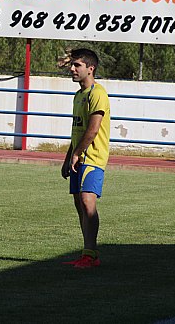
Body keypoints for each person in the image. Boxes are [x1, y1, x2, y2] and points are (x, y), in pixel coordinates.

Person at [61, 48, 110, 268]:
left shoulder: (97, 93)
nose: (72, 69)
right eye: (72, 64)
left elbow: (92, 129)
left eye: (77, 65)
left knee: (87, 201)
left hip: (93, 157)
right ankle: (87, 252)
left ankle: (91, 254)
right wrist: (68, 157)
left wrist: (78, 153)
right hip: (78, 157)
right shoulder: (78, 95)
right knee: (79, 204)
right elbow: (78, 130)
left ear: (90, 69)